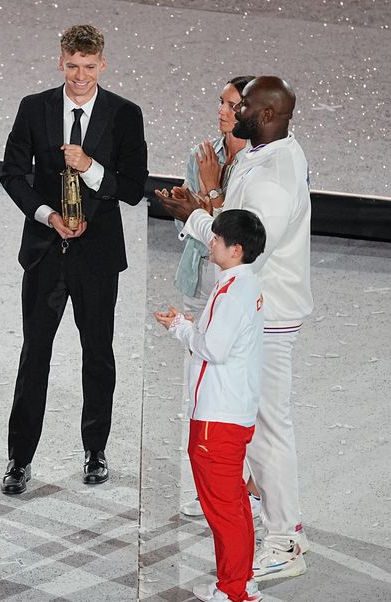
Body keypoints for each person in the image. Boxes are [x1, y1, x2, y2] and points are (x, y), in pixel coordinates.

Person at [157, 75, 314, 582]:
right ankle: (270, 517)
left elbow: (246, 241)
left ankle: (285, 538)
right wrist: (207, 204)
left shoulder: (274, 176)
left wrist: (195, 216)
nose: (234, 109)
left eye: (243, 104)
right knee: (260, 423)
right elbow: (233, 216)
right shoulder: (265, 153)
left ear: (267, 115)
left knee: (268, 427)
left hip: (267, 315)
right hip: (257, 310)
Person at [0, 24, 148, 494]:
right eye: (72, 66)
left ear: (103, 63)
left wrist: (90, 167)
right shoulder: (35, 107)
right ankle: (19, 460)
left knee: (97, 355)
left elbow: (133, 187)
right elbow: (12, 173)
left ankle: (95, 452)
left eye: (89, 67)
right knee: (34, 357)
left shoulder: (125, 114)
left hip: (97, 257)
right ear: (60, 61)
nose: (80, 76)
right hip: (46, 251)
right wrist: (47, 216)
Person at [153, 76, 262, 519]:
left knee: (241, 392)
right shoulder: (202, 155)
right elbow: (203, 228)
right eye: (221, 101)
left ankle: (250, 488)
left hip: (238, 290)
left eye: (232, 104)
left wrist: (211, 195)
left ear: (252, 112)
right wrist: (188, 205)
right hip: (201, 281)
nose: (221, 110)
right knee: (199, 390)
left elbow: (240, 236)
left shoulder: (257, 163)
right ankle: (213, 486)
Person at [154, 209, 267, 602]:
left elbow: (213, 348)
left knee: (224, 510)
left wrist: (179, 328)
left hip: (217, 419)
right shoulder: (243, 283)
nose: (211, 242)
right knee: (233, 503)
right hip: (228, 412)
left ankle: (234, 590)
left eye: (217, 239)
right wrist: (193, 325)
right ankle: (240, 581)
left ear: (236, 250)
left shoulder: (232, 290)